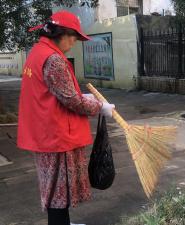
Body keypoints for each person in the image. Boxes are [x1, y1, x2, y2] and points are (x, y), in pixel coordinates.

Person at [17, 11, 115, 225]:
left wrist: (81, 96)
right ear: (61, 33)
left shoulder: (37, 52)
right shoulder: (54, 60)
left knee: (54, 189)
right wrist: (100, 107)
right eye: (73, 37)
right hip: (56, 136)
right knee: (58, 194)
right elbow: (72, 100)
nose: (74, 43)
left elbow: (57, 92)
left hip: (44, 133)